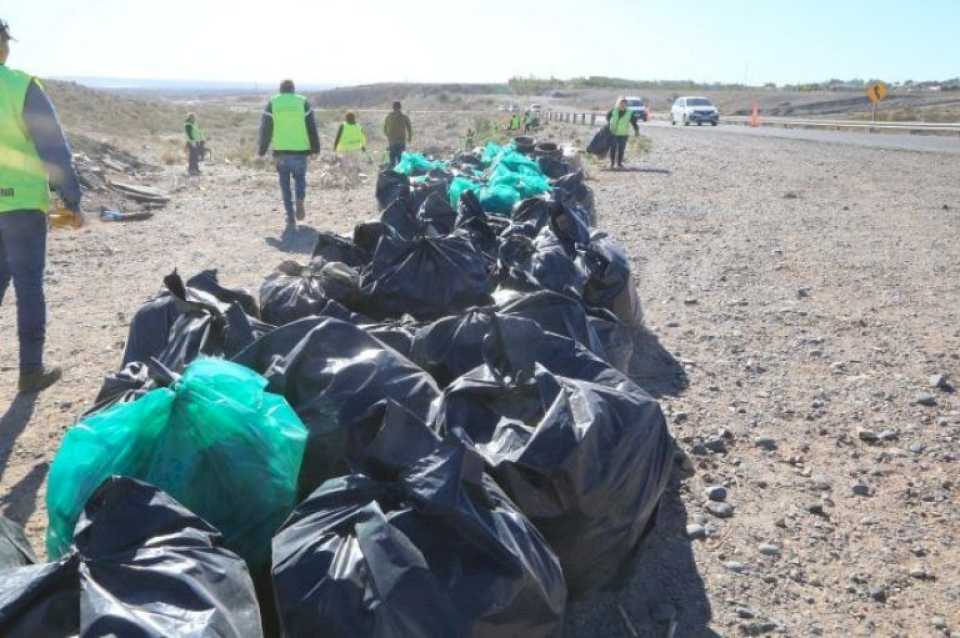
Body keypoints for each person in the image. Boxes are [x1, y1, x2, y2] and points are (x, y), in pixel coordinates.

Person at [0, 19, 83, 393]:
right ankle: (31, 371)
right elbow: (54, 147)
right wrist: (72, 198)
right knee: (28, 285)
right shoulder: (20, 86)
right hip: (19, 205)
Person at [258, 79, 320, 231]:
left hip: (281, 152)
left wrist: (262, 149)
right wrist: (315, 149)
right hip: (300, 151)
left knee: (284, 185)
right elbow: (311, 127)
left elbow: (266, 128)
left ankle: (290, 217)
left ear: (281, 90)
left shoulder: (273, 103)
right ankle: (300, 199)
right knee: (300, 179)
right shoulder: (303, 102)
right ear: (293, 90)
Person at [605, 98, 640, 169]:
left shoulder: (630, 112)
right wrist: (609, 124)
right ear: (618, 104)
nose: (623, 105)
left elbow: (634, 122)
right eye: (621, 103)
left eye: (624, 104)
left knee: (621, 149)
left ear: (626, 104)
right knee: (613, 148)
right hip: (613, 133)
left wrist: (636, 131)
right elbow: (607, 117)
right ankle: (612, 164)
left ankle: (619, 164)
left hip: (624, 134)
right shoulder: (613, 110)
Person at [383, 101, 412, 167]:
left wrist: (388, 136)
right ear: (400, 107)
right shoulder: (404, 117)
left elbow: (384, 128)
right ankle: (400, 172)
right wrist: (409, 137)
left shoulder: (389, 116)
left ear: (393, 107)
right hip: (401, 141)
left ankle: (392, 172)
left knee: (392, 158)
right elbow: (409, 128)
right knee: (401, 158)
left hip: (392, 141)